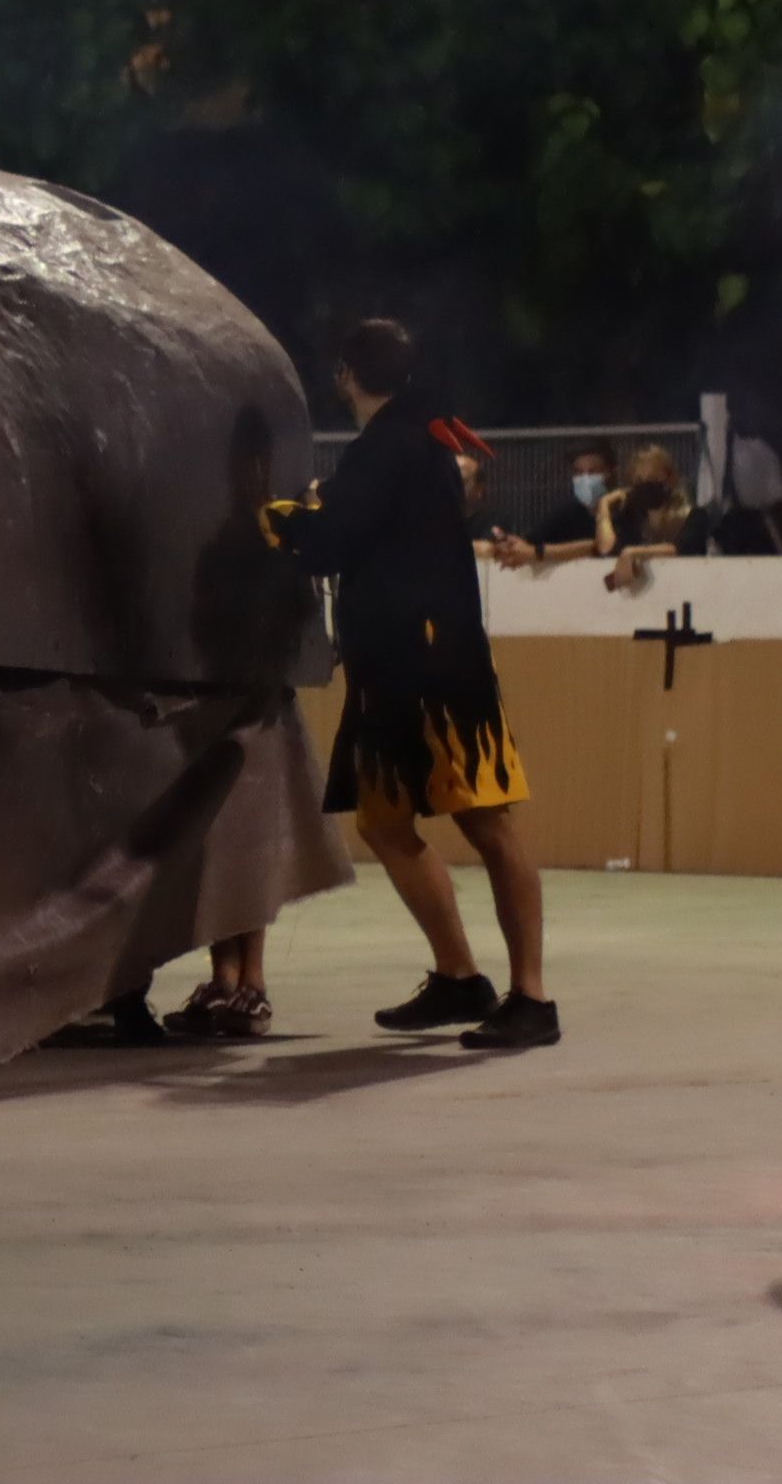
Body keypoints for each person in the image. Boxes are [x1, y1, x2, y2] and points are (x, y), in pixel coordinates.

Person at [269, 319, 557, 1048]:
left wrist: (283, 521)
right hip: (408, 659)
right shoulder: (423, 440)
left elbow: (331, 540)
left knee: (487, 821)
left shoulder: (386, 448)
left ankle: (532, 998)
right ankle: (460, 978)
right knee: (385, 820)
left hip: (426, 667)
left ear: (345, 376)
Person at [162, 405, 321, 1041]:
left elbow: (289, 617)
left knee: (244, 844)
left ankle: (250, 982)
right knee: (221, 845)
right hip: (225, 698)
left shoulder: (270, 532)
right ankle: (226, 978)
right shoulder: (229, 531)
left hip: (253, 701)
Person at [489, 440, 615, 572]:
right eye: (578, 472)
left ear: (610, 472)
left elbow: (601, 546)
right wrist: (512, 545)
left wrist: (539, 552)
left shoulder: (625, 506)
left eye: (593, 472)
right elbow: (529, 543)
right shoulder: (569, 510)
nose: (585, 479)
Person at [597, 441, 694, 592]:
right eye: (640, 481)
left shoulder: (691, 516)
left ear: (670, 479)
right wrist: (604, 508)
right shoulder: (630, 518)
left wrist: (633, 552)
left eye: (653, 479)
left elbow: (678, 549)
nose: (646, 485)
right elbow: (606, 549)